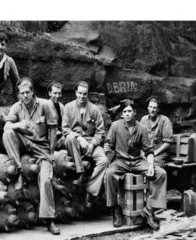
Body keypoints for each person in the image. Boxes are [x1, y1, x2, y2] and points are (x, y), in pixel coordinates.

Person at [2, 77, 60, 235]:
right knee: (8, 133)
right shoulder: (17, 107)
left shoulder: (46, 105)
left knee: (46, 180)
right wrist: (17, 124)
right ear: (18, 95)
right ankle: (19, 171)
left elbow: (53, 130)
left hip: (41, 147)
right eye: (22, 93)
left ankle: (49, 220)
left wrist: (51, 153)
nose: (25, 96)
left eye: (27, 92)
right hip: (24, 142)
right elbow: (7, 126)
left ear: (33, 92)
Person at [104, 99, 167, 230]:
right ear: (122, 114)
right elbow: (108, 144)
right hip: (120, 161)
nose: (127, 114)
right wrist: (109, 158)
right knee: (109, 174)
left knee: (161, 173)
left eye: (130, 111)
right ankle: (115, 210)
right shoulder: (115, 126)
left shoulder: (142, 128)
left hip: (137, 161)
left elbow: (149, 150)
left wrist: (150, 165)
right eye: (125, 111)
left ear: (135, 113)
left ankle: (150, 209)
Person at [62, 81, 108, 209]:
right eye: (80, 93)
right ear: (76, 93)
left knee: (104, 160)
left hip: (90, 142)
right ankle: (80, 172)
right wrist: (79, 138)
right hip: (75, 142)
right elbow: (65, 129)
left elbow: (100, 132)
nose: (82, 96)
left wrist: (92, 145)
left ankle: (91, 191)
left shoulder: (94, 109)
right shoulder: (68, 107)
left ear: (87, 95)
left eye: (85, 94)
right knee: (70, 137)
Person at [140, 96, 173, 167]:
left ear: (158, 109)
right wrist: (142, 153)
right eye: (150, 107)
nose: (152, 110)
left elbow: (167, 143)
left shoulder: (165, 120)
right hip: (146, 153)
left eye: (155, 108)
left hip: (159, 154)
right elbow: (139, 139)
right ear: (147, 108)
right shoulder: (143, 119)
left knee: (152, 166)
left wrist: (154, 153)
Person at [47, 81, 65, 150]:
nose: (57, 96)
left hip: (59, 137)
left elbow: (65, 125)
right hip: (48, 138)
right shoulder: (45, 106)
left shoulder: (61, 107)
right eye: (55, 93)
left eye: (59, 93)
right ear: (49, 93)